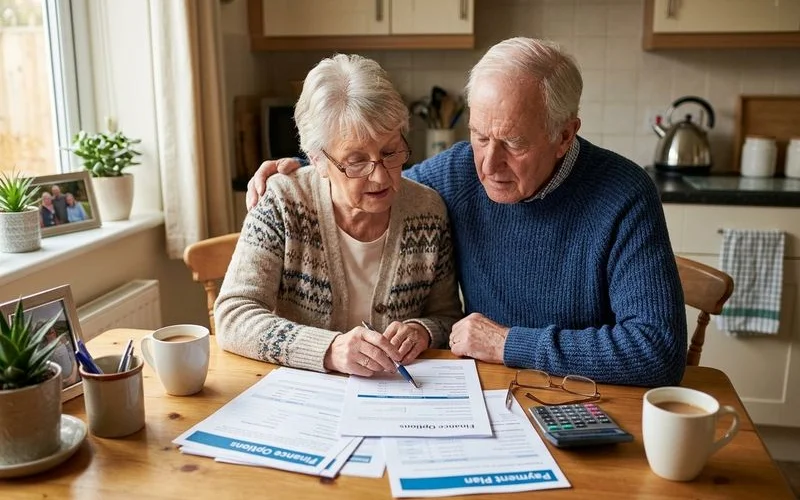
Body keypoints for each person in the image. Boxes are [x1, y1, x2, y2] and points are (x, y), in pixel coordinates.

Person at [245, 37, 687, 387]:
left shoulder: (624, 195)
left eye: (513, 144)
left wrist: (510, 343)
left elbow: (657, 351)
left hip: (583, 398)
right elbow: (385, 177)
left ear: (565, 135)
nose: (489, 166)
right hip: (489, 393)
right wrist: (309, 168)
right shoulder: (459, 172)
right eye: (479, 136)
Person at [216, 54, 462, 377]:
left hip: (397, 403)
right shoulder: (281, 203)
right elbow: (234, 315)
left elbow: (448, 318)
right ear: (317, 160)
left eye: (390, 152)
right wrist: (329, 350)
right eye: (356, 161)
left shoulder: (428, 212)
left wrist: (423, 330)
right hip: (303, 399)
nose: (380, 176)